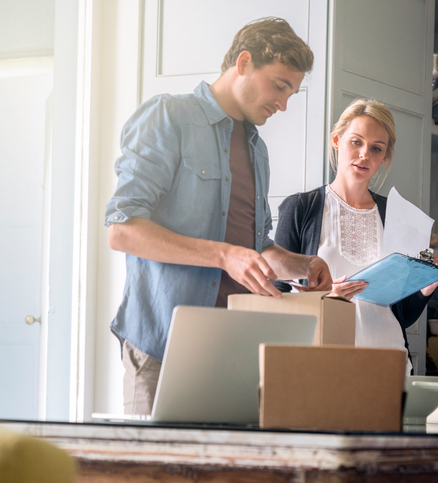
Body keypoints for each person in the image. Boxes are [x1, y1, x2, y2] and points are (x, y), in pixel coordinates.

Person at [105, 17, 333, 415]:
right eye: (280, 85)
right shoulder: (168, 117)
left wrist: (303, 264)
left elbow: (256, 246)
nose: (283, 103)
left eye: (292, 93)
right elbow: (122, 231)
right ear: (243, 62)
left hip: (234, 347)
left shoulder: (257, 149)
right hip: (161, 344)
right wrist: (223, 254)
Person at [274, 99, 438, 374]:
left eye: (376, 148)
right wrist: (326, 298)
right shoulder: (300, 209)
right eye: (356, 142)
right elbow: (275, 299)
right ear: (337, 140)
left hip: (389, 364)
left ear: (384, 157)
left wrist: (426, 288)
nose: (365, 154)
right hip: (321, 364)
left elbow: (401, 315)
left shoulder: (396, 215)